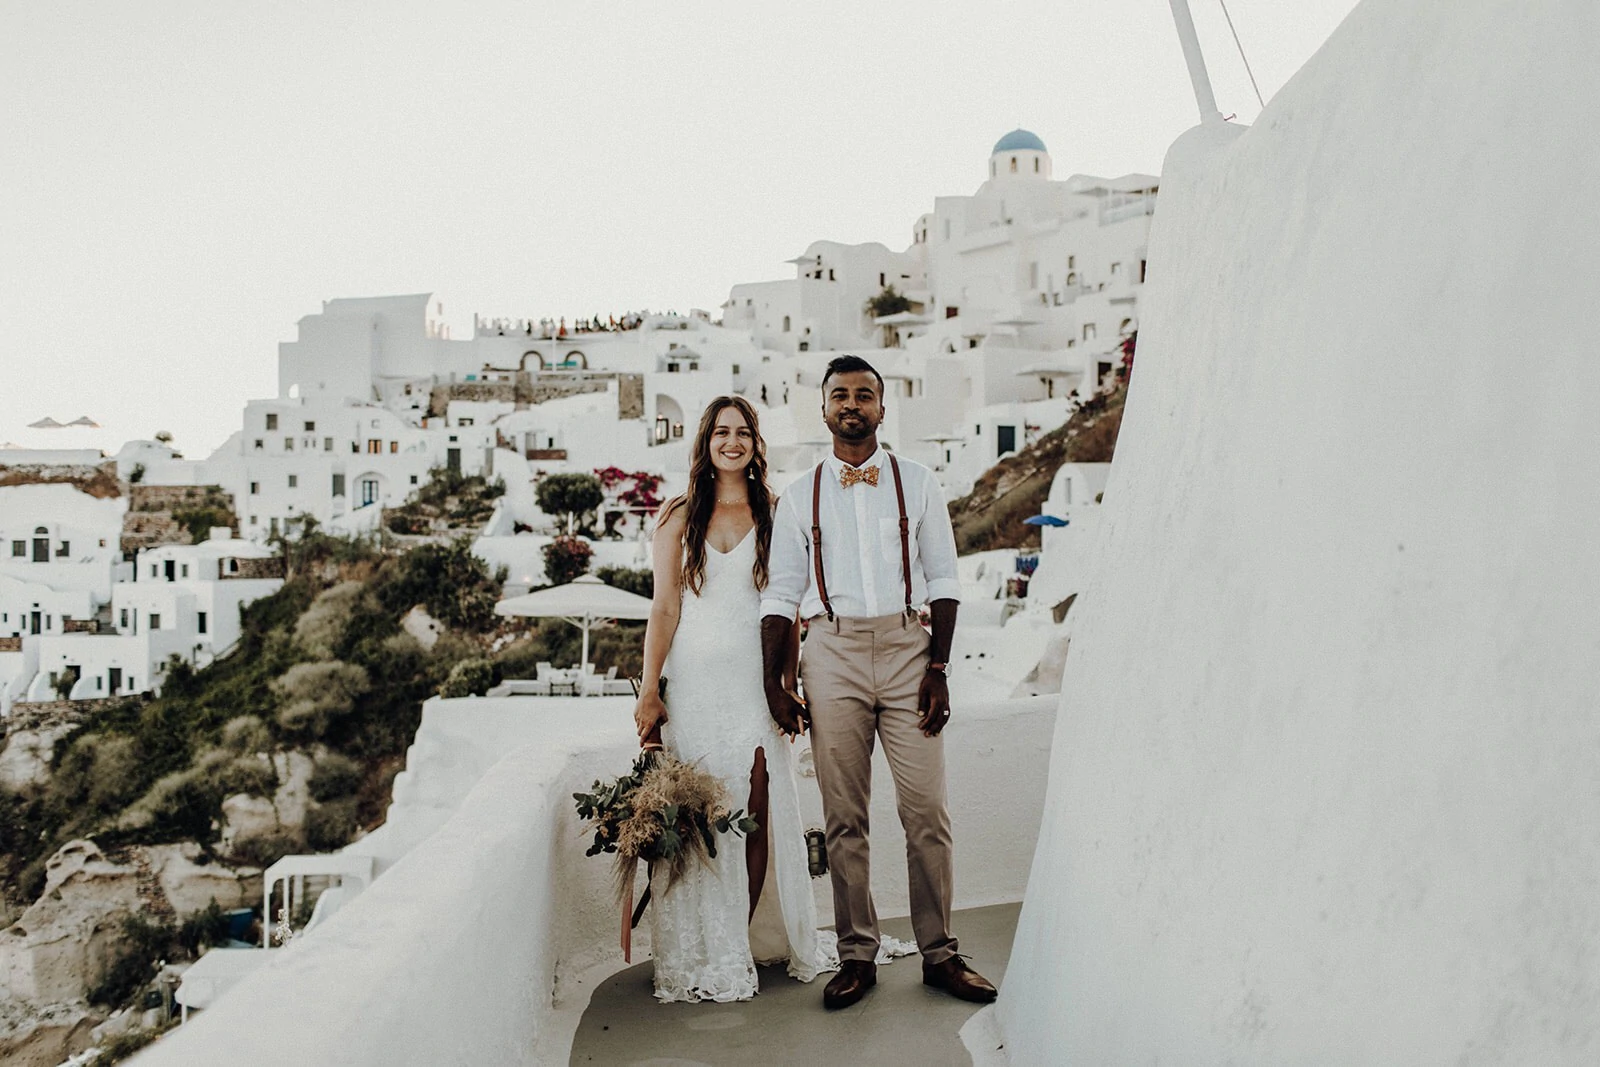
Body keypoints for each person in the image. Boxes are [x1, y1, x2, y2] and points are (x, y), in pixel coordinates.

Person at [759, 355, 998, 1010]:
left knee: (926, 811)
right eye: (841, 394)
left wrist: (940, 669)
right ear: (825, 408)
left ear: (883, 408)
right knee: (843, 817)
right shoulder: (800, 491)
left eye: (865, 394)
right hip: (830, 650)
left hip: (905, 648)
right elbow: (780, 593)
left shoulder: (916, 481)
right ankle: (857, 954)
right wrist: (774, 684)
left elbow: (944, 579)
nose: (853, 404)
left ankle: (941, 952)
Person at [633, 395, 833, 1003]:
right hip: (693, 685)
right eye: (721, 431)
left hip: (755, 684)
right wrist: (649, 690)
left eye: (743, 432)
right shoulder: (676, 517)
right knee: (703, 814)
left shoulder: (777, 513)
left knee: (757, 809)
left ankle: (739, 940)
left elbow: (791, 610)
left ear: (755, 444)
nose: (732, 442)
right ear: (706, 440)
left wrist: (787, 685)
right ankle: (702, 946)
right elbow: (664, 609)